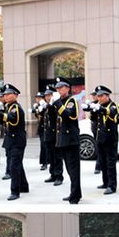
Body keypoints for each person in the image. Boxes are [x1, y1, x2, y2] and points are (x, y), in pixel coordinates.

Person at [0, 83, 29, 200]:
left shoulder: (16, 108)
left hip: (17, 141)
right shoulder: (8, 107)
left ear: (16, 95)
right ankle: (24, 186)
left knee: (14, 167)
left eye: (9, 94)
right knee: (17, 164)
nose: (6, 96)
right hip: (11, 140)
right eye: (5, 95)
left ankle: (15, 191)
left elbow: (12, 119)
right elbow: (3, 121)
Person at [53, 76, 82, 204]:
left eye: (61, 87)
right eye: (58, 88)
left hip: (71, 140)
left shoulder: (71, 101)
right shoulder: (59, 101)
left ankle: (75, 196)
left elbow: (68, 116)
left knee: (74, 170)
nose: (59, 90)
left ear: (68, 88)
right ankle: (75, 193)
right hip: (63, 140)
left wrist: (57, 103)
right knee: (70, 170)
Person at [89, 85, 119, 195]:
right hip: (100, 138)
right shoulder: (98, 105)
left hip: (110, 139)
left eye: (101, 96)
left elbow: (112, 113)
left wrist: (100, 109)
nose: (99, 98)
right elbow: (93, 119)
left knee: (110, 163)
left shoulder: (113, 105)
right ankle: (105, 182)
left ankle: (112, 185)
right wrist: (92, 109)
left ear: (107, 96)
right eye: (98, 96)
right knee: (103, 162)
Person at [42, 85, 64, 186]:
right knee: (50, 156)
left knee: (57, 156)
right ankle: (53, 174)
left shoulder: (55, 106)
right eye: (46, 95)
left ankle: (59, 176)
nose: (47, 97)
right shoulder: (47, 106)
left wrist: (51, 105)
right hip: (48, 135)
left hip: (55, 135)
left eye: (49, 95)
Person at [29, 91, 48, 171]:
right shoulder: (38, 106)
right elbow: (38, 116)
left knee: (45, 146)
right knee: (43, 145)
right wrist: (35, 109)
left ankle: (45, 162)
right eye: (37, 98)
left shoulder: (45, 105)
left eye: (39, 98)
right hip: (41, 128)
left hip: (46, 128)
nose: (38, 99)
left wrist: (41, 108)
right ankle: (44, 162)